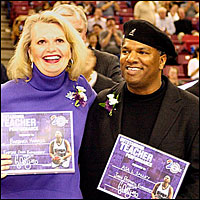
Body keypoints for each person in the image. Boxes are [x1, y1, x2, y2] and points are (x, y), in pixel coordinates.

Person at [79, 19, 199, 199]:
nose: (131, 58)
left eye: (142, 52)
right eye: (126, 51)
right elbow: (89, 167)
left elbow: (197, 180)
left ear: (161, 61)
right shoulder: (102, 101)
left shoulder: (192, 110)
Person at [1, 11, 96, 199]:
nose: (51, 49)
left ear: (71, 48)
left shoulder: (83, 91)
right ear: (29, 51)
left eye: (59, 41)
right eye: (41, 42)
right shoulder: (4, 95)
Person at [53, 5, 123, 93]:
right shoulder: (41, 63)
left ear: (85, 33)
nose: (72, 37)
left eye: (78, 31)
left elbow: (122, 97)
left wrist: (92, 78)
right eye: (64, 31)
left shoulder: (107, 61)